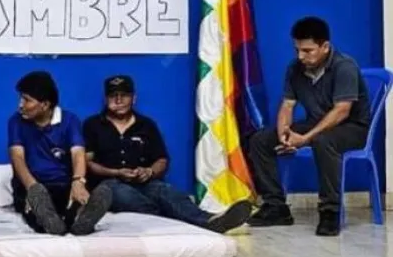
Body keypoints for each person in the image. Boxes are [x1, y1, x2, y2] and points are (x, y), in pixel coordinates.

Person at [246, 17, 371, 236]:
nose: (301, 56)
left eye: (307, 50)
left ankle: (330, 211)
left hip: (352, 128)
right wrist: (285, 133)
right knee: (260, 140)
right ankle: (276, 206)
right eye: (297, 50)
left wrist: (305, 139)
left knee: (323, 141)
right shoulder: (295, 69)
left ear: (325, 47)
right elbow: (287, 105)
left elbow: (342, 110)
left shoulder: (345, 66)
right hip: (317, 124)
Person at [84, 75, 252, 233]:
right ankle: (171, 217)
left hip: (145, 182)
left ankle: (211, 221)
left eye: (124, 95)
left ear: (133, 98)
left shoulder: (147, 125)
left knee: (165, 191)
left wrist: (149, 171)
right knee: (118, 192)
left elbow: (162, 160)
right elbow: (88, 163)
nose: (119, 100)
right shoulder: (92, 125)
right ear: (106, 100)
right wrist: (116, 173)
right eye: (113, 96)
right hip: (110, 183)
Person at [8, 71, 112, 236]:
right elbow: (17, 158)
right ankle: (52, 222)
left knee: (71, 199)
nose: (20, 104)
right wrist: (32, 186)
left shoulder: (70, 120)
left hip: (62, 186)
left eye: (26, 100)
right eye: (21, 98)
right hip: (31, 186)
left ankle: (77, 219)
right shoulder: (16, 121)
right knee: (35, 202)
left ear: (45, 104)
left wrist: (78, 182)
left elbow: (78, 153)